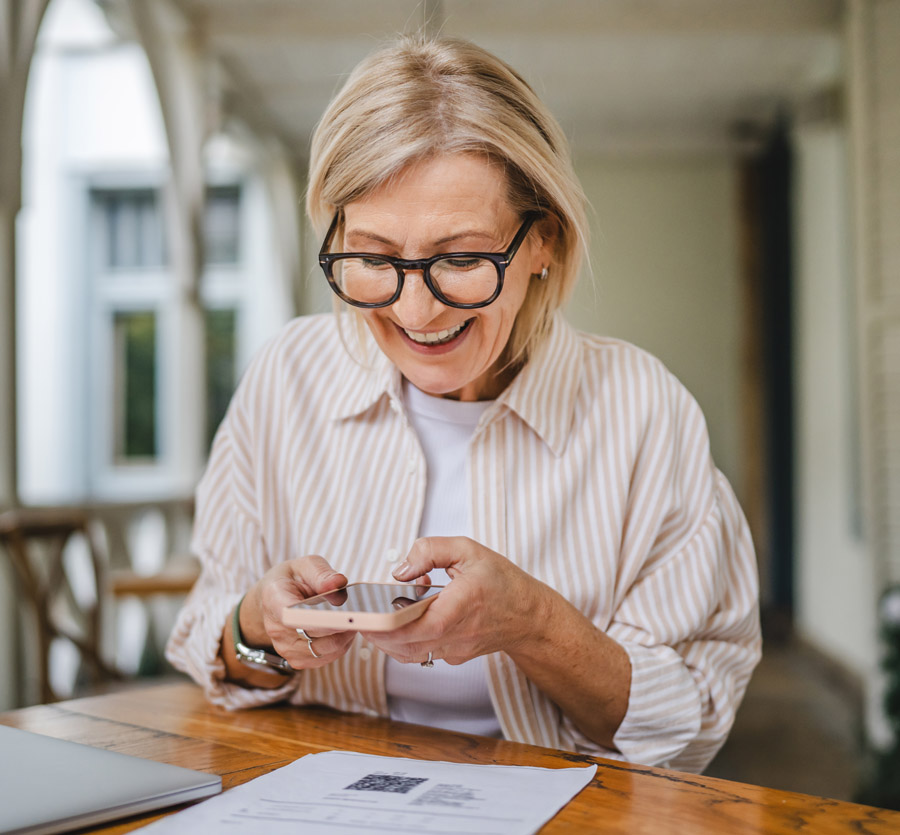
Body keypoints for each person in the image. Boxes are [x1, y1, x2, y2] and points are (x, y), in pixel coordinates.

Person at [166, 35, 761, 774]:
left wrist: (534, 623)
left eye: (460, 259)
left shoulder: (645, 414)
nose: (416, 310)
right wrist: (258, 626)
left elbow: (691, 724)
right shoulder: (286, 379)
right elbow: (213, 647)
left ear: (542, 241)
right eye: (376, 258)